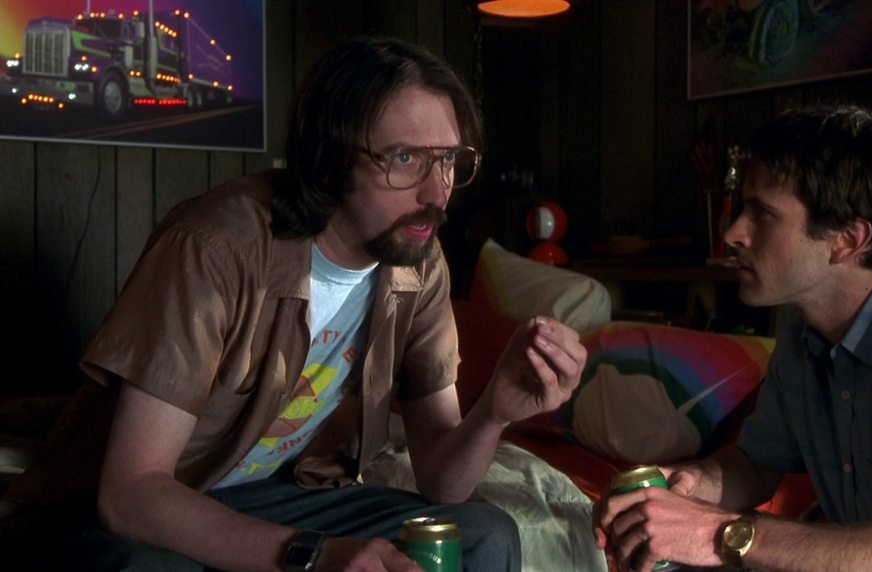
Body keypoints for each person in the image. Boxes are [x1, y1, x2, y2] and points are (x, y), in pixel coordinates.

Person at [0, 36, 587, 571]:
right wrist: (311, 553)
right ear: (330, 159)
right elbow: (130, 491)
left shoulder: (419, 263)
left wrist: (495, 411)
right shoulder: (214, 248)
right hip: (147, 499)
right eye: (405, 160)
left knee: (482, 533)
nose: (438, 194)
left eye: (450, 161)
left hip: (273, 493)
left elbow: (442, 482)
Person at [593, 104, 872, 571]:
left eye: (762, 214)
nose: (732, 232)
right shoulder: (804, 329)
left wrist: (720, 534)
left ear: (847, 240)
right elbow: (755, 465)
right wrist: (683, 489)